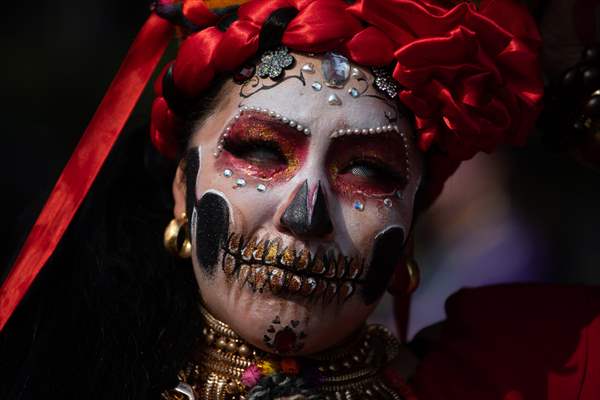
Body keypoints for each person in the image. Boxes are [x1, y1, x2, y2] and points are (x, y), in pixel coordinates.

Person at [1, 0, 599, 399]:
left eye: (366, 169)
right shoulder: (65, 376)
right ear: (183, 192)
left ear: (412, 221)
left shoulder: (527, 370)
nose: (304, 214)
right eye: (261, 154)